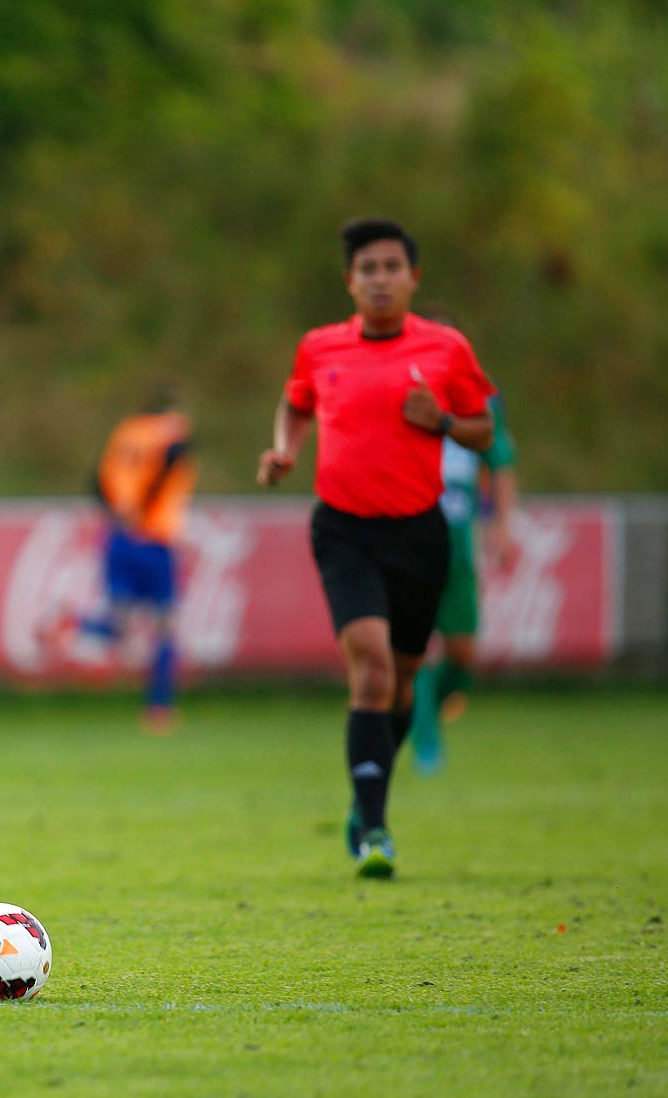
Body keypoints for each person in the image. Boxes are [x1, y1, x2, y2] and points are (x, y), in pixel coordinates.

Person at [258, 218, 494, 879]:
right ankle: (376, 834)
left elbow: (483, 429)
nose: (381, 278)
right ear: (350, 281)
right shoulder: (321, 347)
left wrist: (443, 422)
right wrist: (285, 449)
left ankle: (366, 806)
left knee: (402, 685)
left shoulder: (446, 349)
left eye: (393, 266)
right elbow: (296, 401)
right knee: (371, 668)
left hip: (420, 534)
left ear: (413, 278)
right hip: (343, 530)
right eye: (368, 268)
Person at [411, 390, 519, 773]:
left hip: (457, 551)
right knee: (415, 650)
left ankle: (420, 712)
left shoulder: (481, 402)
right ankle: (426, 744)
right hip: (409, 543)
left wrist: (502, 526)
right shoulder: (400, 392)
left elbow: (500, 462)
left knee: (463, 657)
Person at [82, 392, 194, 733]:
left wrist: (117, 515)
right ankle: (159, 707)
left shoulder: (125, 432)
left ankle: (73, 623)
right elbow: (171, 461)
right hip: (155, 538)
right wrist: (142, 512)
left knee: (121, 621)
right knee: (165, 624)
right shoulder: (173, 429)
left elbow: (96, 479)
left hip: (119, 537)